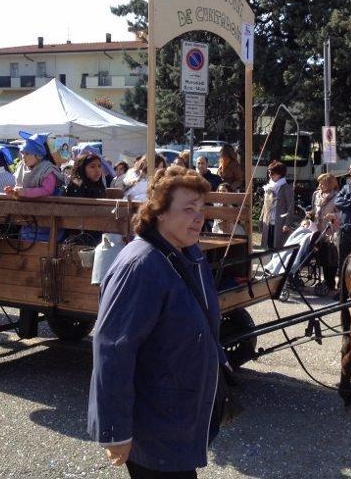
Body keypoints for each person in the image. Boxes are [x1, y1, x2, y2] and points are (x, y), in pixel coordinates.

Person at [88, 166, 225, 478]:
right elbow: (113, 349)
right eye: (188, 209)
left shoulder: (189, 254)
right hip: (154, 425)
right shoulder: (141, 265)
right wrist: (116, 431)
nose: (198, 217)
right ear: (160, 212)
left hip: (176, 418)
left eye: (201, 209)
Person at [4, 131, 64, 199]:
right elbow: (19, 187)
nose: (23, 156)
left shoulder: (47, 169)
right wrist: (13, 191)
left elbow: (47, 190)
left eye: (27, 154)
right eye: (22, 153)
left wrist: (25, 192)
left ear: (39, 156)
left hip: (44, 205)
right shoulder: (22, 167)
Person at [311, 173, 340, 295]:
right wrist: (310, 215)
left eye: (322, 183)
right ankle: (326, 281)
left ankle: (330, 282)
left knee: (331, 258)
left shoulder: (337, 196)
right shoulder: (316, 195)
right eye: (319, 183)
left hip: (330, 230)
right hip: (318, 230)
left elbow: (341, 213)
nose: (320, 185)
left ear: (330, 184)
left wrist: (334, 216)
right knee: (322, 256)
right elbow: (313, 210)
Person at [260, 160, 294, 249]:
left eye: (273, 173)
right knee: (268, 247)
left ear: (280, 174)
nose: (270, 175)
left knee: (278, 248)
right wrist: (261, 219)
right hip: (268, 222)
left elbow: (290, 208)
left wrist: (287, 223)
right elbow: (264, 206)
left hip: (280, 224)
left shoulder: (286, 188)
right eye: (269, 173)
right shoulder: (269, 187)